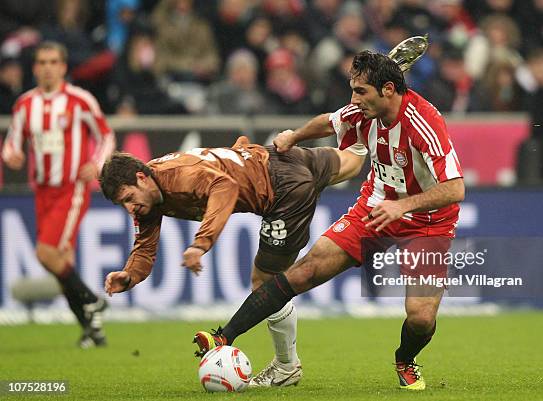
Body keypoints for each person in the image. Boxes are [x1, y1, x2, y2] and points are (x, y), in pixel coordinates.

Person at [190, 50, 465, 391]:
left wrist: (404, 206)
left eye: (361, 91)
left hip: (428, 220)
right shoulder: (364, 112)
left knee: (421, 317)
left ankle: (405, 360)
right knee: (304, 271)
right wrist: (293, 136)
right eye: (353, 89)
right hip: (376, 208)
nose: (354, 99)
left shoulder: (424, 122)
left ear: (389, 90)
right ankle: (222, 337)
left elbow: (455, 188)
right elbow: (330, 120)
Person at [100, 136, 364, 387]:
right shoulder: (148, 194)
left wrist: (200, 243)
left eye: (128, 199)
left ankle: (286, 367)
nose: (129, 208)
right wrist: (130, 275)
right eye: (122, 204)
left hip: (284, 193)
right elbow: (145, 248)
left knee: (265, 283)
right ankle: (372, 131)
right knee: (354, 157)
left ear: (140, 178)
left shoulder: (179, 177)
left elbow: (225, 187)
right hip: (275, 158)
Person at [1, 41, 115, 348]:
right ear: (35, 67)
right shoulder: (25, 104)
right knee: (61, 261)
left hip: (71, 188)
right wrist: (11, 154)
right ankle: (92, 329)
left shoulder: (80, 101)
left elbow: (105, 134)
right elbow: (12, 141)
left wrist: (97, 164)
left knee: (45, 253)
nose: (47, 67)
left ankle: (93, 301)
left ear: (63, 67)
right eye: (41, 62)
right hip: (42, 191)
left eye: (53, 61)